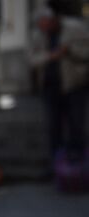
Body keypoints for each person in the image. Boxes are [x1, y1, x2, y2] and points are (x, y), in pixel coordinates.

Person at [29, 5, 89, 160]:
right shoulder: (38, 35)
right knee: (54, 127)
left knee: (76, 124)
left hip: (74, 85)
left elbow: (86, 52)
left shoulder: (75, 28)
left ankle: (79, 163)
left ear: (52, 19)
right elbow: (32, 60)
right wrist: (50, 56)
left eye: (45, 24)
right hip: (50, 88)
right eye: (40, 26)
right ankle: (57, 163)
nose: (44, 28)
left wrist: (69, 51)